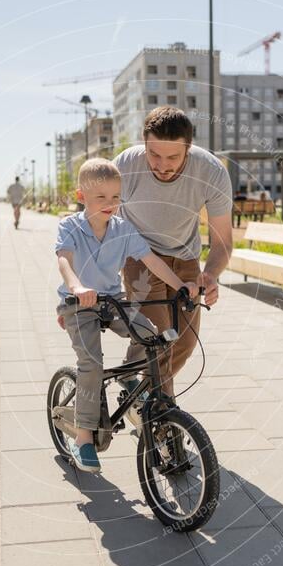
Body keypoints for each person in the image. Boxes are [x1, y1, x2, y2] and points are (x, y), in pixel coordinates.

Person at [55, 158, 199, 474]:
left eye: (115, 198)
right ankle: (83, 439)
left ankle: (129, 378)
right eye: (100, 198)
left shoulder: (123, 229)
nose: (110, 205)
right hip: (78, 302)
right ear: (81, 197)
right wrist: (77, 286)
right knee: (91, 363)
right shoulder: (69, 226)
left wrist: (181, 287)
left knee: (153, 335)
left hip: (112, 301)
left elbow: (151, 260)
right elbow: (64, 260)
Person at [114, 106, 233, 396]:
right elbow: (102, 222)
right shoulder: (125, 166)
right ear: (144, 144)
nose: (162, 165)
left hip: (185, 258)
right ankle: (163, 427)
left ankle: (138, 390)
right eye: (154, 155)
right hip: (139, 257)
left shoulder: (211, 171)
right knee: (159, 339)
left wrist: (211, 275)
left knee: (184, 343)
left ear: (188, 150)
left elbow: (223, 241)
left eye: (173, 157)